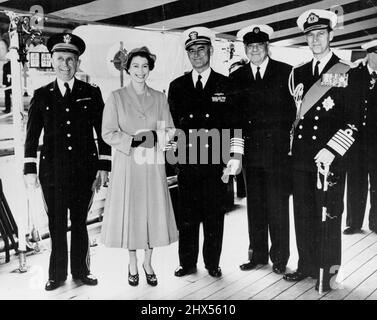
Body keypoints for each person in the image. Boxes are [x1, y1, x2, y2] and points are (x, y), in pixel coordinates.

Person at [24, 33, 111, 291]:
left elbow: (103, 132)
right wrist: (29, 169)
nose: (65, 64)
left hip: (84, 170)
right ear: (52, 61)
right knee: (56, 223)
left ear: (78, 62)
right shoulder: (41, 95)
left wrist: (104, 166)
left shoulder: (91, 93)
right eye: (60, 58)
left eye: (70, 59)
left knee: (81, 222)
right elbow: (31, 137)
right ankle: (56, 274)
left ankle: (82, 270)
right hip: (52, 172)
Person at [283, 9, 359, 292]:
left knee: (329, 214)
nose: (315, 39)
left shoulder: (347, 71)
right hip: (302, 158)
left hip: (329, 158)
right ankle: (306, 265)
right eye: (310, 35)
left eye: (320, 34)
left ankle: (328, 270)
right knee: (303, 213)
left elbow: (353, 121)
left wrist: (332, 149)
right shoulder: (298, 73)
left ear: (330, 36)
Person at [168, 27, 242, 278]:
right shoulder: (177, 86)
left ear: (210, 51)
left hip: (216, 164)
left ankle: (212, 262)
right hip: (188, 162)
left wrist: (234, 157)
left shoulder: (225, 84)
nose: (196, 55)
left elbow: (235, 126)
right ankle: (187, 263)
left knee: (214, 216)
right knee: (187, 217)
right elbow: (172, 127)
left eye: (201, 49)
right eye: (191, 51)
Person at [101, 46, 178, 287]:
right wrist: (132, 140)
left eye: (145, 66)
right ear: (128, 68)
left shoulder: (159, 97)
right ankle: (133, 262)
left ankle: (148, 262)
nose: (140, 71)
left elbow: (171, 130)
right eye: (135, 66)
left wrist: (157, 136)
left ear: (150, 69)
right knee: (132, 214)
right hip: (128, 165)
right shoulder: (116, 97)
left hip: (152, 164)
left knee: (152, 213)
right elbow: (107, 132)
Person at [229, 25, 295, 274]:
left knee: (278, 206)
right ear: (245, 49)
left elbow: (293, 114)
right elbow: (234, 119)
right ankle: (257, 255)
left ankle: (280, 258)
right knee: (254, 206)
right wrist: (236, 153)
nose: (254, 50)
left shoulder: (286, 72)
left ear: (267, 47)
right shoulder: (237, 77)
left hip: (278, 153)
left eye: (259, 46)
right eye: (250, 47)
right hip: (251, 152)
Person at [344, 40, 377, 235]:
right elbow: (326, 82)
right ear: (369, 54)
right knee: (356, 181)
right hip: (356, 140)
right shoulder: (353, 74)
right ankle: (354, 223)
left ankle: (375, 222)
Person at [0, 39, 11, 113]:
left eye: (2, 48)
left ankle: (8, 109)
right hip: (7, 82)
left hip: (9, 82)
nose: (0, 51)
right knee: (7, 95)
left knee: (8, 95)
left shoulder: (10, 62)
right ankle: (7, 109)